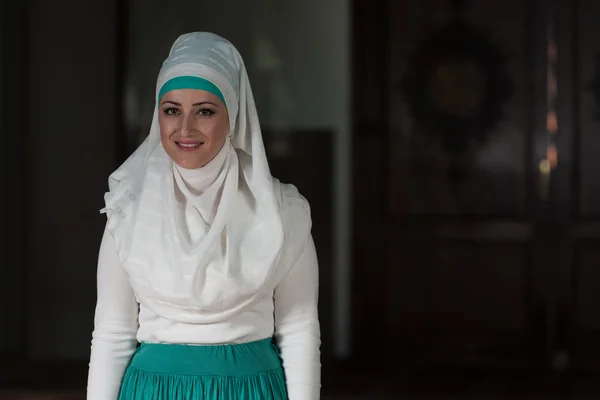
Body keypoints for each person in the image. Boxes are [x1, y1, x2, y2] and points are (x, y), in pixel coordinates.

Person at [86, 32, 321, 400]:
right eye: (172, 110)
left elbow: (299, 330)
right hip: (152, 392)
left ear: (233, 116)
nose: (185, 129)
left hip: (251, 391)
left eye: (205, 111)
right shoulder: (128, 211)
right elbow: (112, 334)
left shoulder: (282, 212)